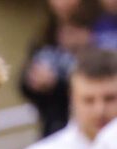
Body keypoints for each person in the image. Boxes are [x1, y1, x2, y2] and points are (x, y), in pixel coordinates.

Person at [22, 0, 99, 138]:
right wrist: (34, 81)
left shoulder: (102, 30)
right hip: (55, 127)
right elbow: (24, 83)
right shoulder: (44, 35)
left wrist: (57, 83)